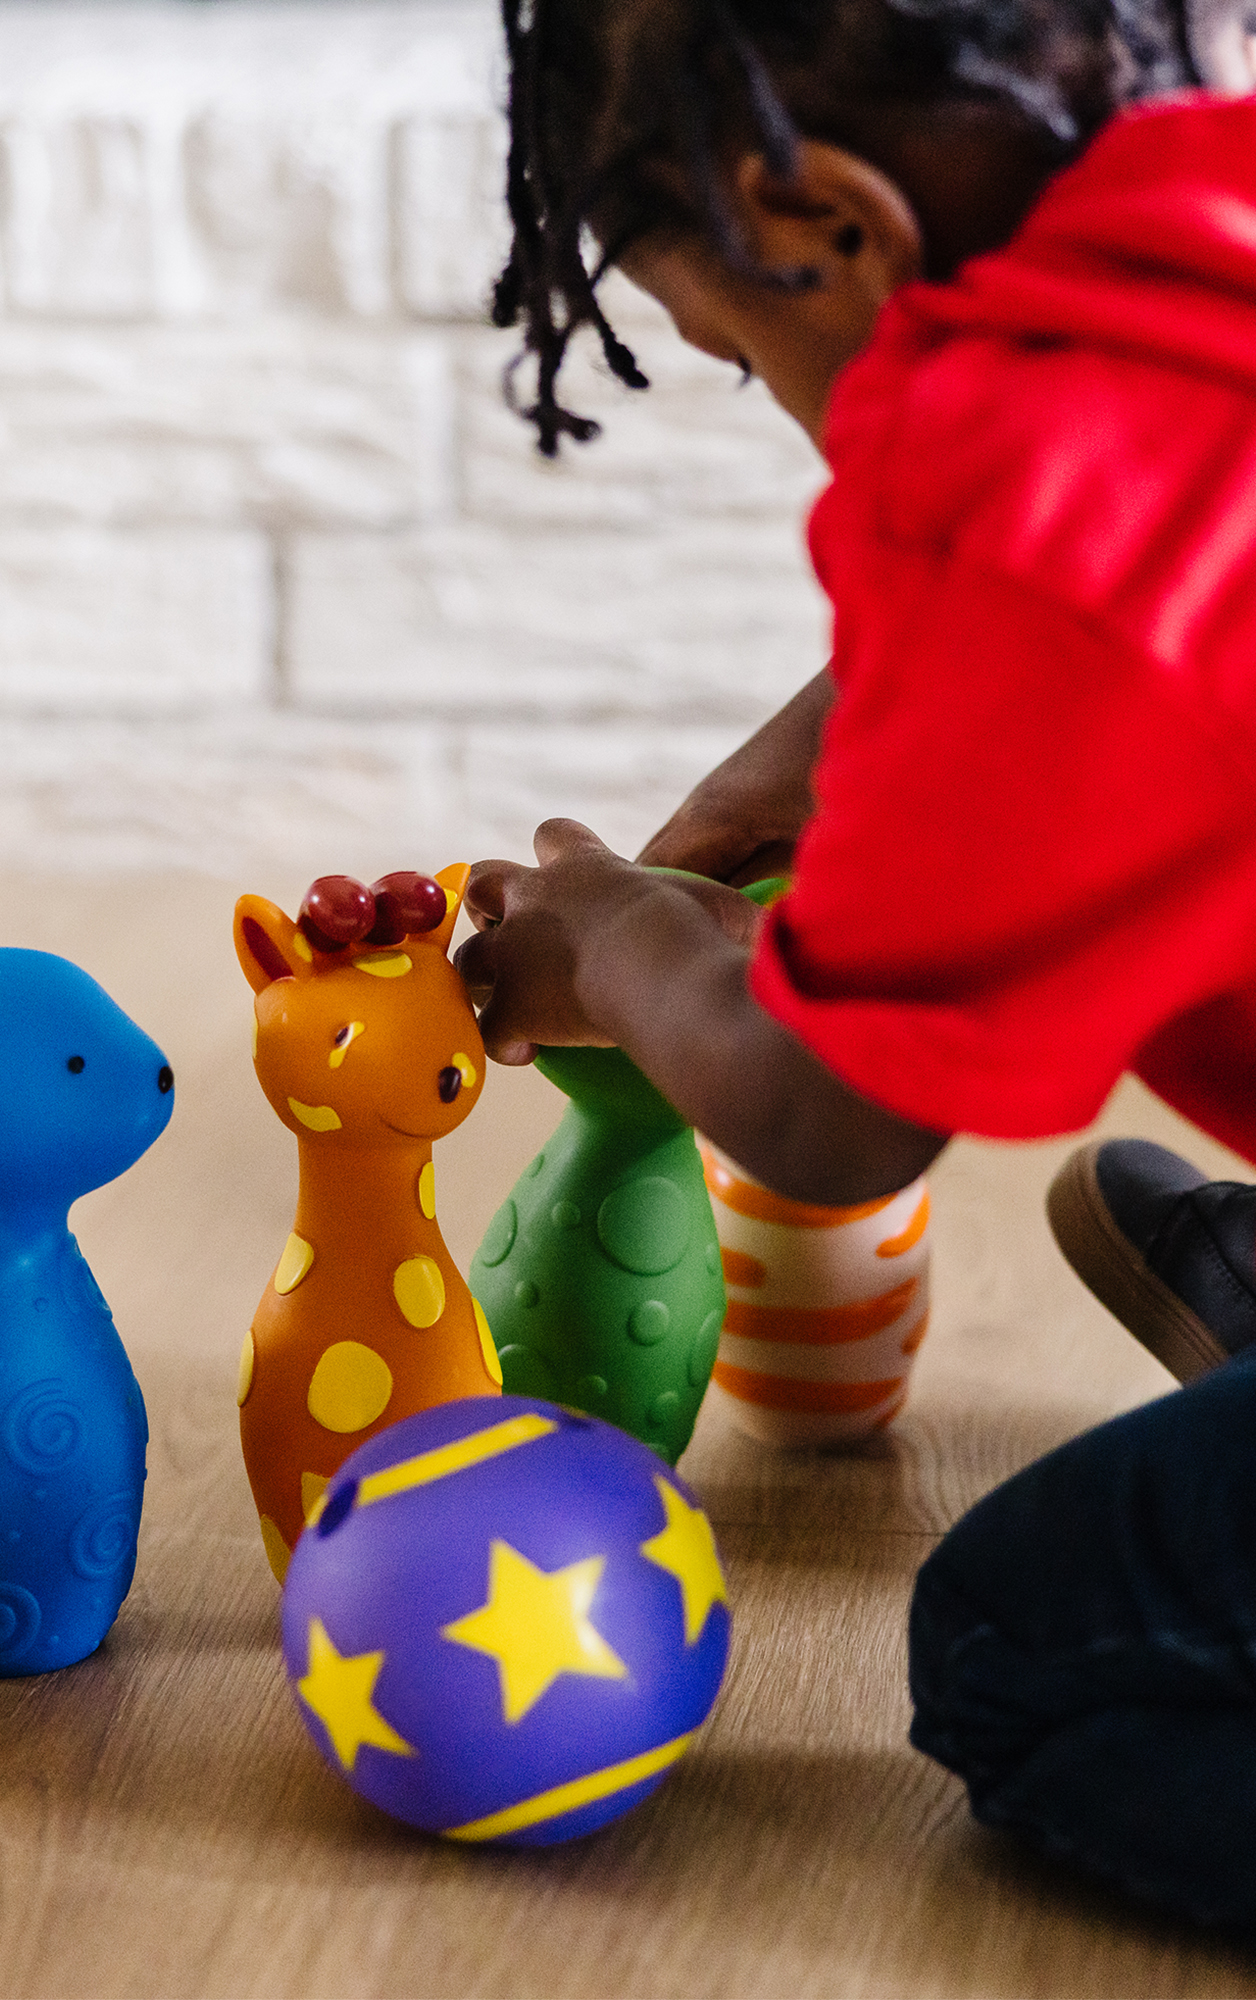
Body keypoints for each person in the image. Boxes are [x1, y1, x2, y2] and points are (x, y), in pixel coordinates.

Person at [457, 0, 1256, 1933]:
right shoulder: (1198, 232)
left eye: (742, 353)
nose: (784, 402)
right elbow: (1124, 593)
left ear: (826, 218)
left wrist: (633, 951)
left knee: (1010, 1641)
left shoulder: (1033, 502)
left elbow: (832, 1116)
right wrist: (813, 754)